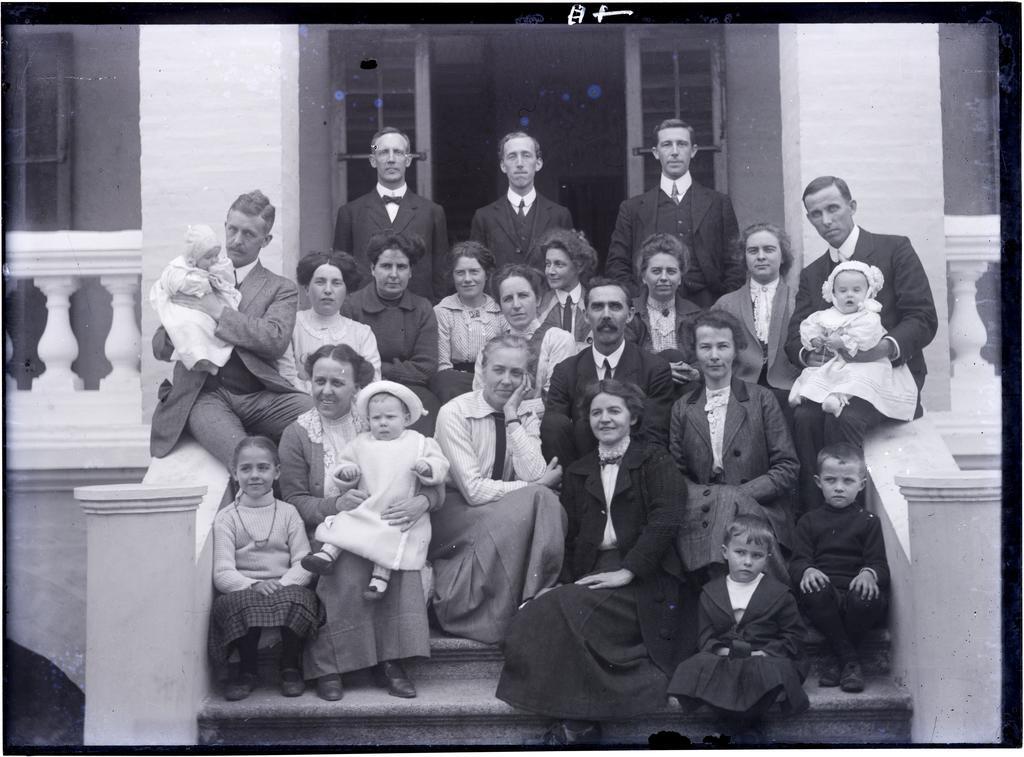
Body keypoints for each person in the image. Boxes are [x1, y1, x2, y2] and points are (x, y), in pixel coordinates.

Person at [496, 380, 688, 746]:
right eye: (597, 412)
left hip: (644, 578)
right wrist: (560, 581)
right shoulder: (579, 470)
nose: (605, 419)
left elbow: (666, 519)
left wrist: (628, 570)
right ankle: (579, 718)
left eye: (614, 411)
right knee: (533, 613)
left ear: (632, 417)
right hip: (593, 574)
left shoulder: (655, 460)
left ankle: (578, 725)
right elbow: (570, 539)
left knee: (564, 612)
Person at [279, 344, 438, 701]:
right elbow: (293, 500)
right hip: (329, 531)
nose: (327, 390)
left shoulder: (380, 421)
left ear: (356, 387)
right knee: (348, 562)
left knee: (397, 556)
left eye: (338, 382)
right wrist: (335, 503)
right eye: (319, 381)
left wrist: (422, 501)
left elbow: (431, 481)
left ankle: (390, 660)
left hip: (389, 524)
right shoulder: (298, 434)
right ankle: (330, 664)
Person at [785, 176, 937, 510]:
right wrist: (810, 353)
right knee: (805, 419)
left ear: (852, 207)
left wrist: (881, 348)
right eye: (815, 214)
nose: (826, 220)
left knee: (845, 418)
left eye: (833, 209)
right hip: (833, 375)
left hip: (888, 372)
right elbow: (795, 333)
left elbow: (922, 317)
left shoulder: (894, 249)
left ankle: (853, 520)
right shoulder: (813, 273)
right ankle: (816, 518)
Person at [150, 190, 312, 468]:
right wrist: (179, 325)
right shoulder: (190, 275)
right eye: (232, 230)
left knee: (316, 417)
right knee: (246, 459)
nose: (236, 241)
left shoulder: (280, 288)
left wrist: (216, 310)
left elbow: (274, 339)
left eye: (248, 234)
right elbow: (158, 349)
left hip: (260, 395)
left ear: (266, 240)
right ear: (224, 227)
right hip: (205, 396)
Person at [431, 335, 566, 644]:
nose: (506, 380)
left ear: (527, 377)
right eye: (499, 370)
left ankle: (531, 599)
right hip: (454, 514)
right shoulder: (455, 413)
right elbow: (474, 491)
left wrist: (513, 418)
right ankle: (533, 601)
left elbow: (534, 472)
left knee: (544, 501)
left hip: (502, 511)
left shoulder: (524, 413)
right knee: (540, 497)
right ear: (482, 368)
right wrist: (533, 487)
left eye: (516, 373)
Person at [669, 310, 798, 577]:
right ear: (694, 352)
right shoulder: (683, 408)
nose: (714, 355)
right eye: (705, 347)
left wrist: (736, 496)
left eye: (722, 346)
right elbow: (676, 474)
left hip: (758, 509)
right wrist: (716, 499)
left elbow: (786, 468)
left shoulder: (762, 399)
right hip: (701, 512)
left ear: (735, 351)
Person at [301, 381, 449, 603]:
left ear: (406, 419)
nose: (383, 424)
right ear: (368, 420)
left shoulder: (419, 442)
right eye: (376, 419)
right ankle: (326, 555)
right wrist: (347, 473)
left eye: (390, 417)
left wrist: (427, 468)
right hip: (367, 505)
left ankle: (380, 579)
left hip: (397, 510)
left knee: (390, 536)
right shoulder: (361, 443)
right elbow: (343, 466)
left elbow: (440, 465)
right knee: (347, 522)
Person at [668, 515, 809, 742]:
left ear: (767, 558)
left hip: (764, 655)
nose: (747, 561)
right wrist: (722, 651)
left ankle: (744, 725)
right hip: (725, 655)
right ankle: (733, 722)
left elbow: (794, 635)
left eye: (757, 555)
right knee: (694, 667)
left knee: (770, 671)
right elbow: (705, 636)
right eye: (740, 552)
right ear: (725, 552)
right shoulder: (710, 592)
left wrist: (765, 651)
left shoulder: (780, 593)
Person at [209, 436, 320, 701]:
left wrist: (281, 584)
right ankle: (247, 670)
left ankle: (290, 665)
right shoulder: (227, 517)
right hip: (245, 588)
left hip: (285, 585)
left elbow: (304, 561)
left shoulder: (288, 512)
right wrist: (252, 585)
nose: (255, 475)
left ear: (277, 471)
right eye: (246, 469)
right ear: (234, 473)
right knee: (240, 602)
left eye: (263, 467)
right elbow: (223, 572)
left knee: (298, 598)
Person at [605, 119, 743, 306]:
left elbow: (735, 263)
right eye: (667, 144)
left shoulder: (719, 203)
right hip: (651, 305)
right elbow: (617, 265)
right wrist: (639, 300)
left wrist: (723, 303)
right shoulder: (632, 208)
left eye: (682, 144)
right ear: (656, 152)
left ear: (693, 151)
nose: (675, 152)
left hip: (708, 305)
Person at [541, 278, 675, 468]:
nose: (606, 315)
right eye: (597, 307)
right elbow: (555, 433)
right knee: (554, 423)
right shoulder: (566, 371)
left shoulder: (654, 369)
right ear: (586, 316)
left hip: (634, 474)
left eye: (615, 307)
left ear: (629, 315)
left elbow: (654, 437)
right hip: (580, 475)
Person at [789, 443, 889, 694]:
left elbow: (880, 564)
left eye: (848, 480)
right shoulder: (809, 521)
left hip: (857, 597)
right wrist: (808, 570)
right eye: (831, 480)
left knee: (867, 596)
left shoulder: (869, 522)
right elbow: (798, 561)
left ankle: (839, 659)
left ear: (861, 484)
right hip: (825, 598)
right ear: (818, 481)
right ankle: (850, 661)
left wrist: (869, 573)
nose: (839, 487)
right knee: (814, 589)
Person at [789, 260, 919, 422]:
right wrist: (815, 339)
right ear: (833, 294)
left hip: (863, 361)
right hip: (836, 361)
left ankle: (837, 398)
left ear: (868, 293)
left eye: (856, 290)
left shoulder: (868, 317)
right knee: (818, 373)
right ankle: (805, 393)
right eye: (843, 290)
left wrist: (843, 342)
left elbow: (866, 339)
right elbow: (809, 326)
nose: (849, 294)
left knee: (858, 377)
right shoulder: (827, 315)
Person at [333, 126, 449, 301]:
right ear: (373, 160)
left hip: (417, 312)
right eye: (383, 153)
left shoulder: (432, 212)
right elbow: (341, 272)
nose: (391, 159)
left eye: (398, 152)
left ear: (408, 160)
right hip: (364, 313)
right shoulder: (350, 213)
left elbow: (441, 273)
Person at [342, 231, 441, 436]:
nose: (394, 274)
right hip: (363, 388)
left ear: (411, 272)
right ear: (372, 268)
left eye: (402, 267)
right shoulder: (352, 306)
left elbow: (426, 367)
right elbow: (348, 363)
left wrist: (382, 369)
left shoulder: (422, 308)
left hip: (411, 389)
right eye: (386, 266)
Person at [713, 222, 800, 413]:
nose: (761, 256)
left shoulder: (799, 299)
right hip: (739, 387)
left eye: (768, 250)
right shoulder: (725, 304)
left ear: (783, 256)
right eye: (753, 251)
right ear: (744, 258)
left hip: (788, 387)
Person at [470, 264, 577, 419]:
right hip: (497, 426)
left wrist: (509, 408)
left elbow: (557, 401)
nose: (516, 305)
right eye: (507, 299)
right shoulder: (489, 349)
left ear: (538, 299)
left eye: (523, 296)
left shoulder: (558, 339)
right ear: (500, 306)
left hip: (544, 428)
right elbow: (479, 398)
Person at [469, 131, 574, 272]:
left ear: (538, 163)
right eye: (512, 156)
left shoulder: (559, 215)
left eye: (526, 155)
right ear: (503, 166)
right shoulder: (484, 217)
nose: (519, 163)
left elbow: (568, 268)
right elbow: (477, 269)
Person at [279, 251, 381, 392]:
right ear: (307, 288)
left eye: (336, 283)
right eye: (320, 282)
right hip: (302, 405)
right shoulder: (290, 326)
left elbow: (371, 384)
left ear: (346, 290)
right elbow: (287, 377)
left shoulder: (362, 333)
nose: (328, 290)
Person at [149, 224, 241, 374]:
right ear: (193, 260)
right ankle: (200, 360)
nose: (214, 260)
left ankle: (211, 357)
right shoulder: (179, 269)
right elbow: (159, 348)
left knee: (207, 327)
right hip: (186, 309)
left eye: (216, 255)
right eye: (209, 257)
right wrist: (202, 283)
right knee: (191, 327)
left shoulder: (217, 267)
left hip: (237, 382)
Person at [625, 233, 703, 392]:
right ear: (644, 277)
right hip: (643, 390)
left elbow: (704, 356)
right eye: (656, 271)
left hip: (686, 390)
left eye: (671, 271)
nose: (664, 278)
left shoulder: (695, 315)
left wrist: (694, 372)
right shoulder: (629, 312)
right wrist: (661, 369)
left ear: (680, 277)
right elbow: (624, 357)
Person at [431, 241, 504, 404]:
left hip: (494, 380)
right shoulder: (442, 311)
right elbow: (443, 366)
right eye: (460, 273)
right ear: (452, 275)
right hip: (455, 383)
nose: (467, 279)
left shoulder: (500, 309)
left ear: (486, 273)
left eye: (474, 272)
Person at [536, 228, 598, 350]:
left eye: (559, 264)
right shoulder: (540, 305)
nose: (550, 271)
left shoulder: (593, 302)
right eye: (548, 264)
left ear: (579, 266)